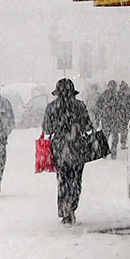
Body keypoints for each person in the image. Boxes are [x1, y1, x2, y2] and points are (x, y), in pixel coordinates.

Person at [42, 78, 93, 225]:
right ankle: (72, 206)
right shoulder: (80, 106)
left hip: (60, 149)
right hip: (77, 149)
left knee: (63, 180)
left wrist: (59, 127)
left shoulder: (51, 107)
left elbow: (47, 128)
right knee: (75, 180)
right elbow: (88, 126)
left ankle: (65, 209)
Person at [95, 80, 122, 159]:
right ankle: (111, 152)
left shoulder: (104, 96)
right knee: (112, 137)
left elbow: (98, 106)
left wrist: (100, 115)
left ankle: (106, 152)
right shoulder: (116, 96)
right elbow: (121, 107)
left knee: (107, 137)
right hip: (112, 119)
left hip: (108, 119)